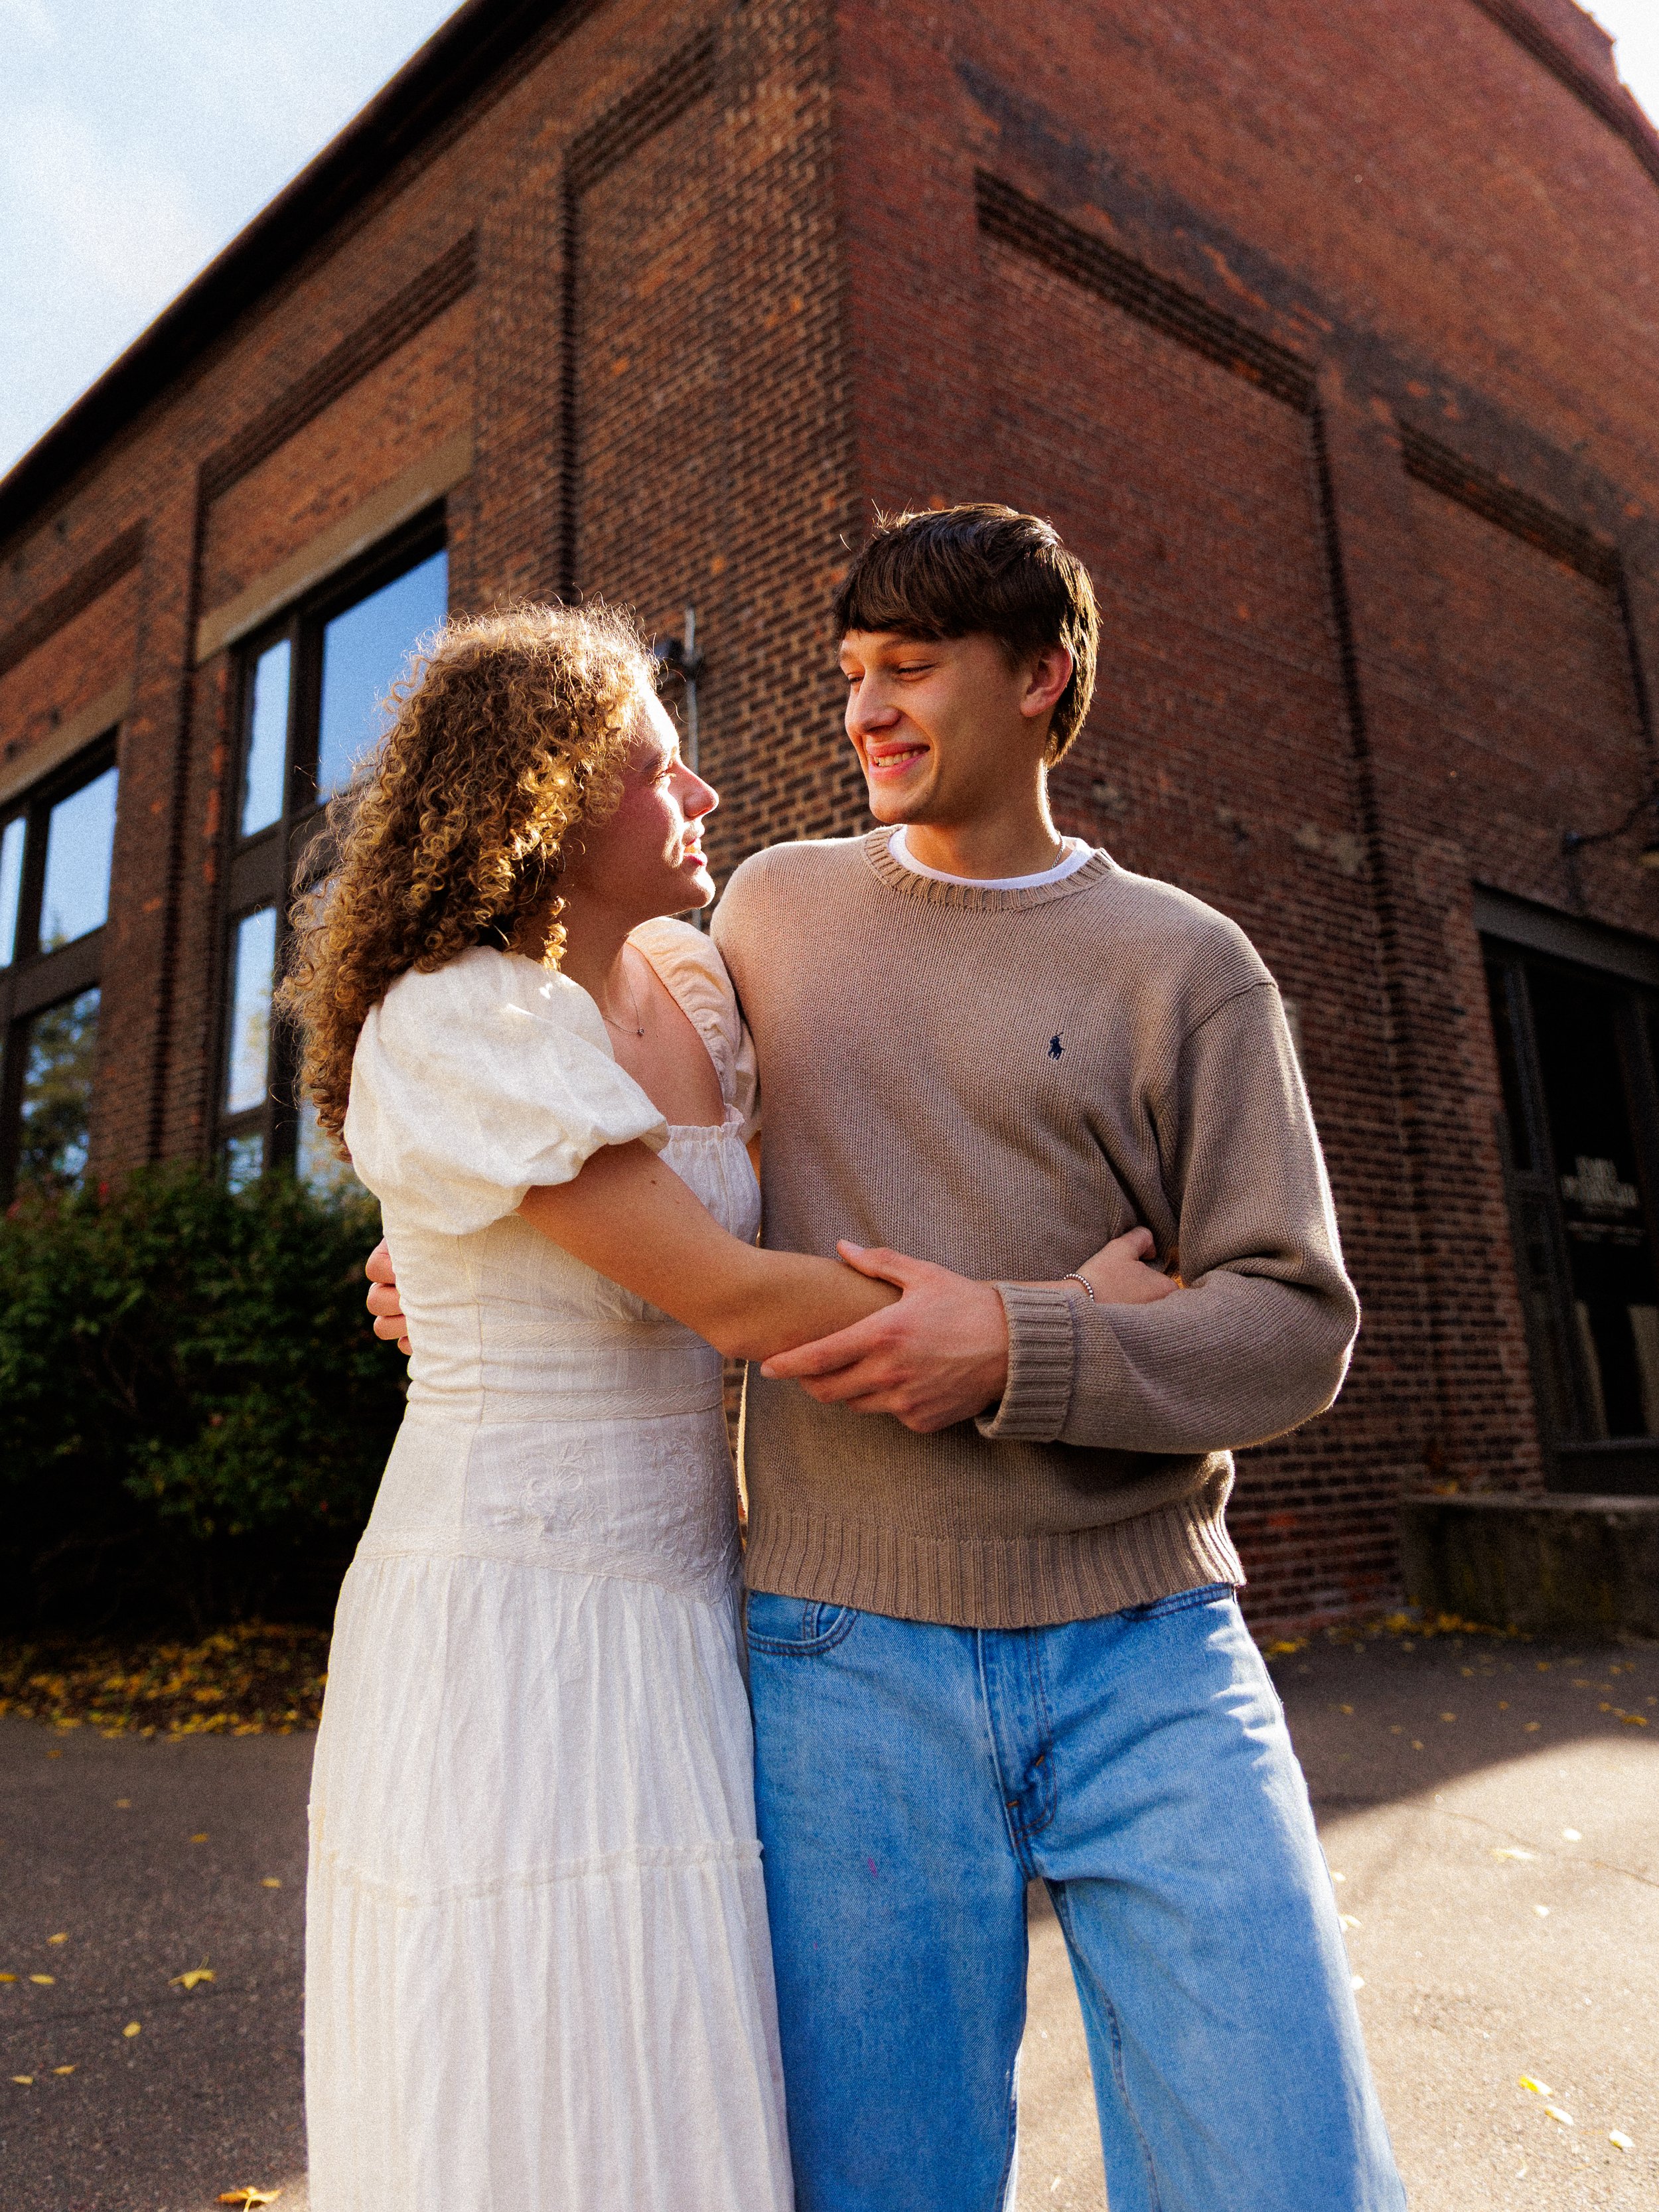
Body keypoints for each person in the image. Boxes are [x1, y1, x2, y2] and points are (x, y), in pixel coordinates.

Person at [367, 510, 1404, 2212]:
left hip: (1147, 1641)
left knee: (1279, 2165)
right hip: (840, 1655)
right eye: (852, 672)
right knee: (880, 2187)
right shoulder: (763, 921)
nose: (863, 709)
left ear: (1039, 677)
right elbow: (592, 1099)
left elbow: (1292, 1325)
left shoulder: (1189, 967)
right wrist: (446, 1239)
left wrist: (1020, 1340)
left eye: (908, 667)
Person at [291, 599, 1159, 2212]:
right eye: (660, 771)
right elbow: (737, 1295)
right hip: (510, 1613)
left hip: (694, 1600)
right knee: (533, 2039)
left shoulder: (695, 986)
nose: (699, 801)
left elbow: (830, 1181)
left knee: (686, 2039)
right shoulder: (461, 1013)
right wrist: (1060, 1321)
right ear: (546, 800)